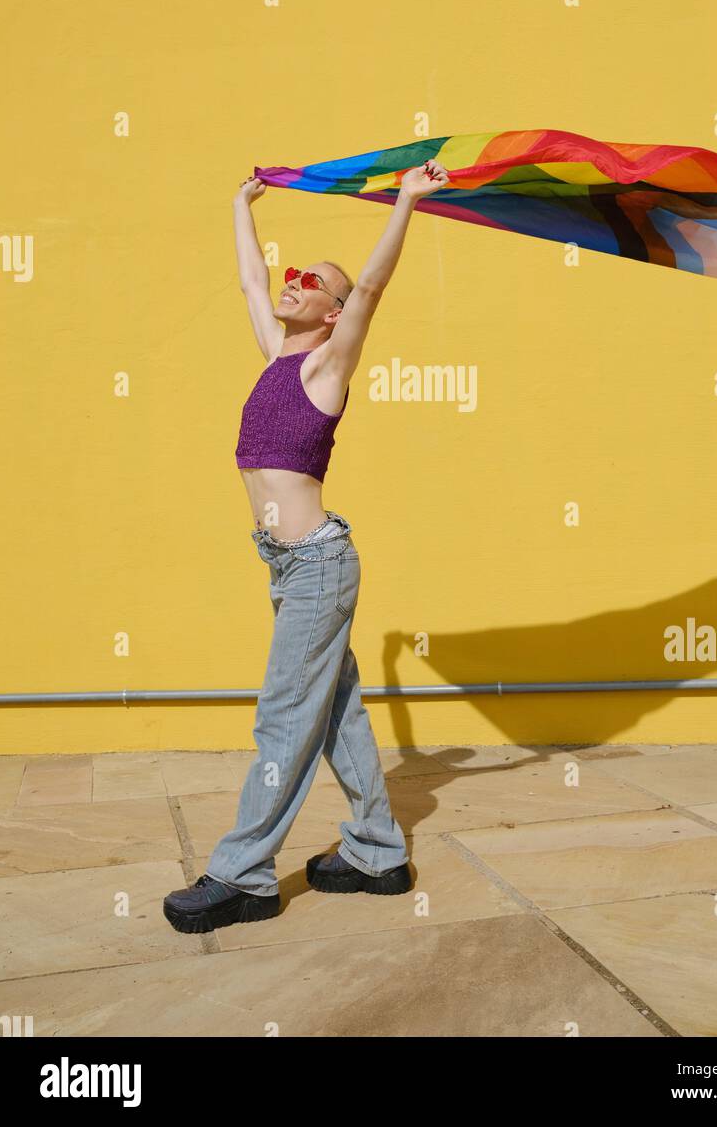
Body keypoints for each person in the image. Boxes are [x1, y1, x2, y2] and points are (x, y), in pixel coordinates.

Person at [163, 156, 450, 933]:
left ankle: (243, 873)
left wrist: (407, 203)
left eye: (308, 280)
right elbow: (251, 284)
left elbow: (376, 290)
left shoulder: (327, 365)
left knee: (285, 715)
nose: (289, 281)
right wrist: (240, 207)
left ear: (332, 312)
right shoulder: (276, 356)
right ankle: (377, 853)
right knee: (336, 714)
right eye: (291, 272)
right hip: (292, 567)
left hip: (319, 563)